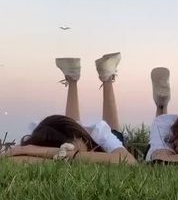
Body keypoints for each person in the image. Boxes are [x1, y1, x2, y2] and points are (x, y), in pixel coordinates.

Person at [5, 53, 136, 165]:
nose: (68, 151)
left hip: (94, 136)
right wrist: (51, 154)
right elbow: (11, 160)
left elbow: (129, 161)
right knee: (71, 124)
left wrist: (60, 154)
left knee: (114, 131)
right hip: (70, 129)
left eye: (68, 149)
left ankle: (107, 78)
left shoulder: (98, 133)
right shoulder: (43, 137)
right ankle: (72, 78)